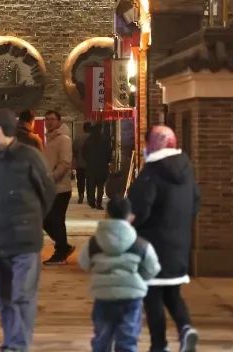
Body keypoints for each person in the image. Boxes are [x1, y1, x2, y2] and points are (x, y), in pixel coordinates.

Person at [0, 109, 56, 352]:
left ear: (7, 132)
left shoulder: (29, 156)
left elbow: (47, 191)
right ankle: (10, 341)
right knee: (4, 296)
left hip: (25, 238)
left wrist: (32, 218)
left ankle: (18, 345)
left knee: (22, 294)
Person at [127, 126, 200, 352]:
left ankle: (159, 345)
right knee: (172, 293)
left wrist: (128, 224)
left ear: (151, 144)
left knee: (153, 298)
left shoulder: (152, 172)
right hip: (179, 244)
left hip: (152, 245)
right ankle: (186, 328)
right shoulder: (187, 170)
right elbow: (196, 202)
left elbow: (140, 209)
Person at [78, 196, 162, 352]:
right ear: (130, 217)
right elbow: (152, 268)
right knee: (128, 338)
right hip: (131, 298)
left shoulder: (94, 243)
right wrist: (139, 278)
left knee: (102, 338)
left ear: (107, 214)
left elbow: (83, 263)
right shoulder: (140, 244)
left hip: (103, 296)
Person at [41, 110, 75, 265]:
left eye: (52, 119)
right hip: (50, 188)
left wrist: (52, 178)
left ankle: (61, 252)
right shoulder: (51, 138)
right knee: (47, 219)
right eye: (46, 119)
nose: (49, 122)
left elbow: (65, 163)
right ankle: (63, 247)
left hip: (60, 188)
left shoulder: (63, 139)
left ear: (59, 121)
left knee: (55, 220)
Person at [84, 123, 112, 209]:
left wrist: (88, 161)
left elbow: (84, 153)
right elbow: (109, 153)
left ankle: (92, 202)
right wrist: (107, 161)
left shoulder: (89, 140)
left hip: (91, 166)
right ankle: (99, 203)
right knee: (100, 186)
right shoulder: (105, 140)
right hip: (102, 166)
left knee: (91, 185)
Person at [74, 121, 90, 204]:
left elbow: (74, 150)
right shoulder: (94, 138)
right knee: (90, 181)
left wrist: (77, 158)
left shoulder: (78, 138)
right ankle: (90, 196)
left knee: (80, 181)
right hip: (91, 165)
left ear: (83, 129)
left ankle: (81, 195)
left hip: (80, 164)